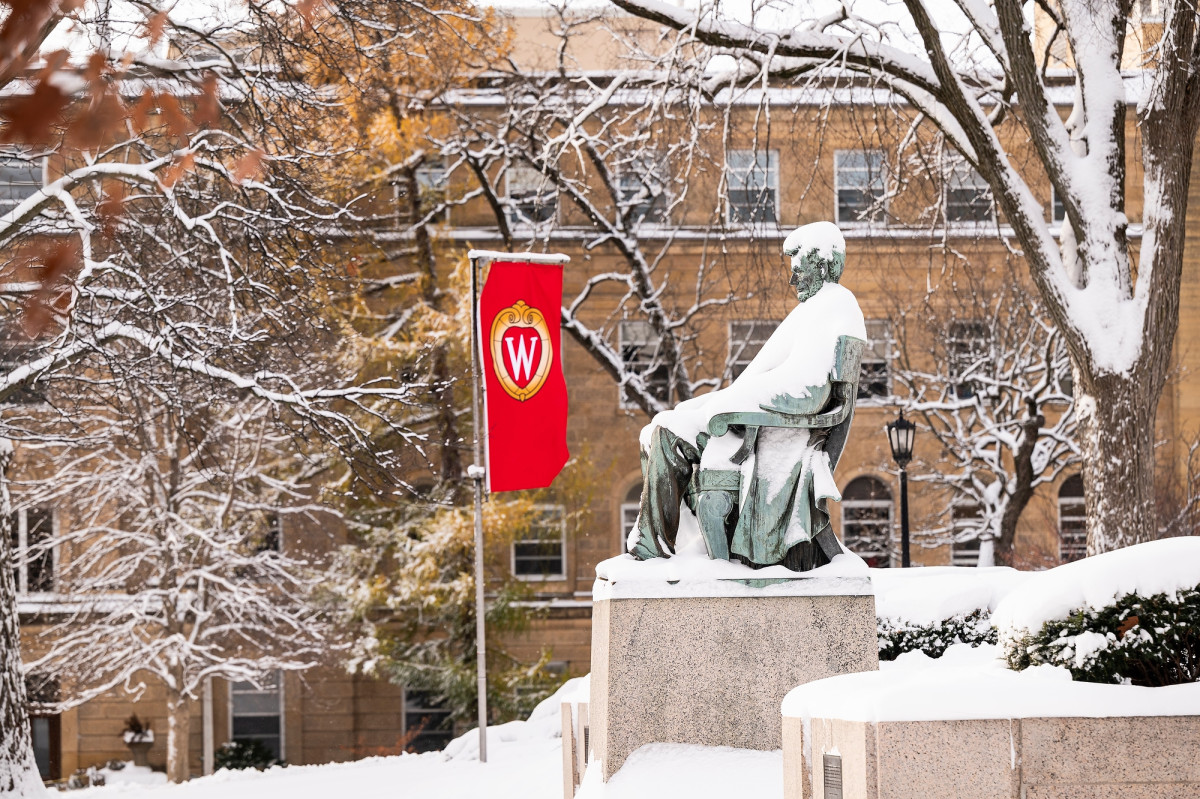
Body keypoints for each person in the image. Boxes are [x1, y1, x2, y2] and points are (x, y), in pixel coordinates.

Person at [627, 221, 866, 570]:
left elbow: (808, 391)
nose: (792, 280)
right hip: (749, 422)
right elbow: (769, 380)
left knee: (665, 437)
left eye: (798, 270)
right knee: (658, 432)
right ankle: (659, 548)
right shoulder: (814, 311)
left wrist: (729, 406)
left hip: (772, 435)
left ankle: (652, 552)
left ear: (824, 264)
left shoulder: (834, 308)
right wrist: (718, 404)